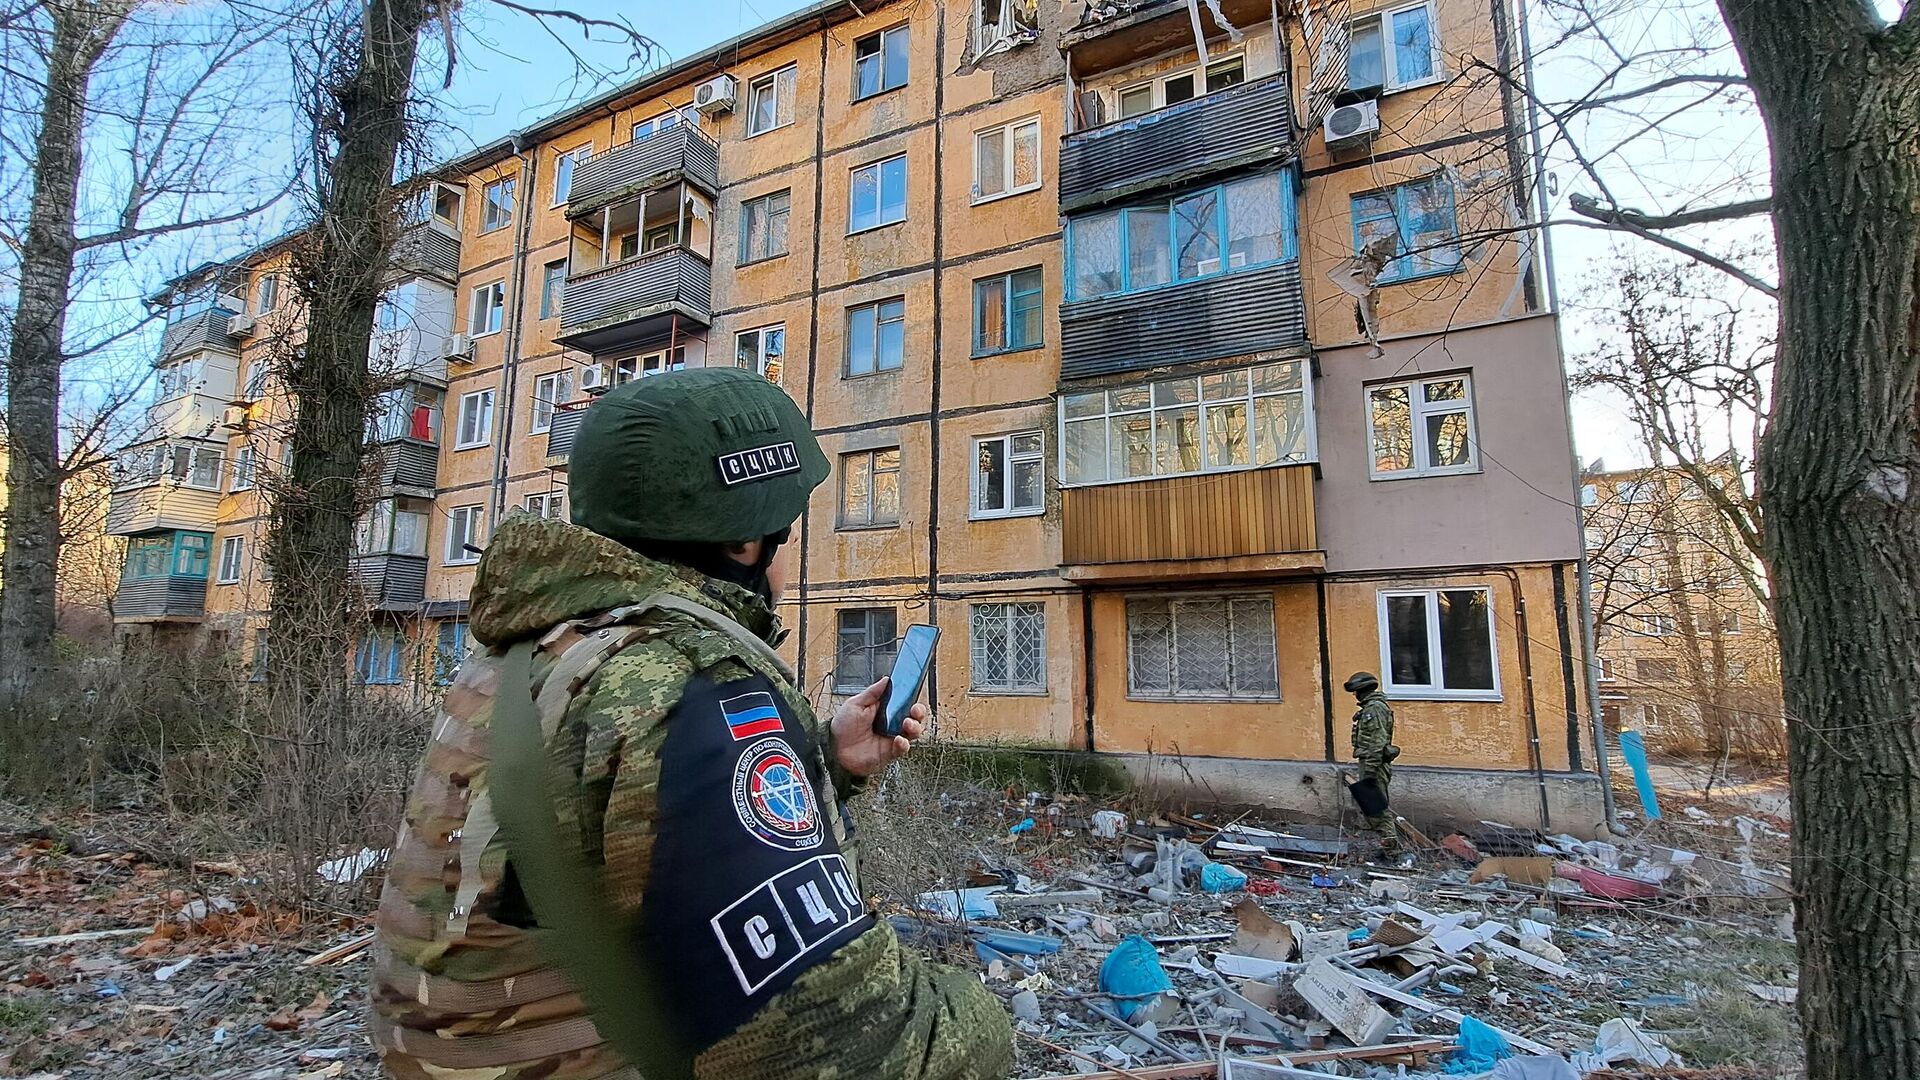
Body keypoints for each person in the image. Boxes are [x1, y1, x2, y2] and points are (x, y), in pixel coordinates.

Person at [371, 369, 1012, 1080]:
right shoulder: (688, 680)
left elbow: (603, 835)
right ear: (744, 543)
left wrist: (821, 762)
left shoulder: (531, 652)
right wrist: (988, 1021)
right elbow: (849, 1049)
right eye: (785, 532)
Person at [1344, 671, 1400, 851]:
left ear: (1362, 690)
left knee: (1378, 805)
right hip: (1369, 761)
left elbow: (1378, 740)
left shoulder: (1375, 709)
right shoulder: (1371, 708)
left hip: (1373, 763)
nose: (1355, 695)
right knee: (1370, 804)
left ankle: (1392, 848)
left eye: (1356, 691)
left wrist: (1370, 770)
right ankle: (1378, 844)